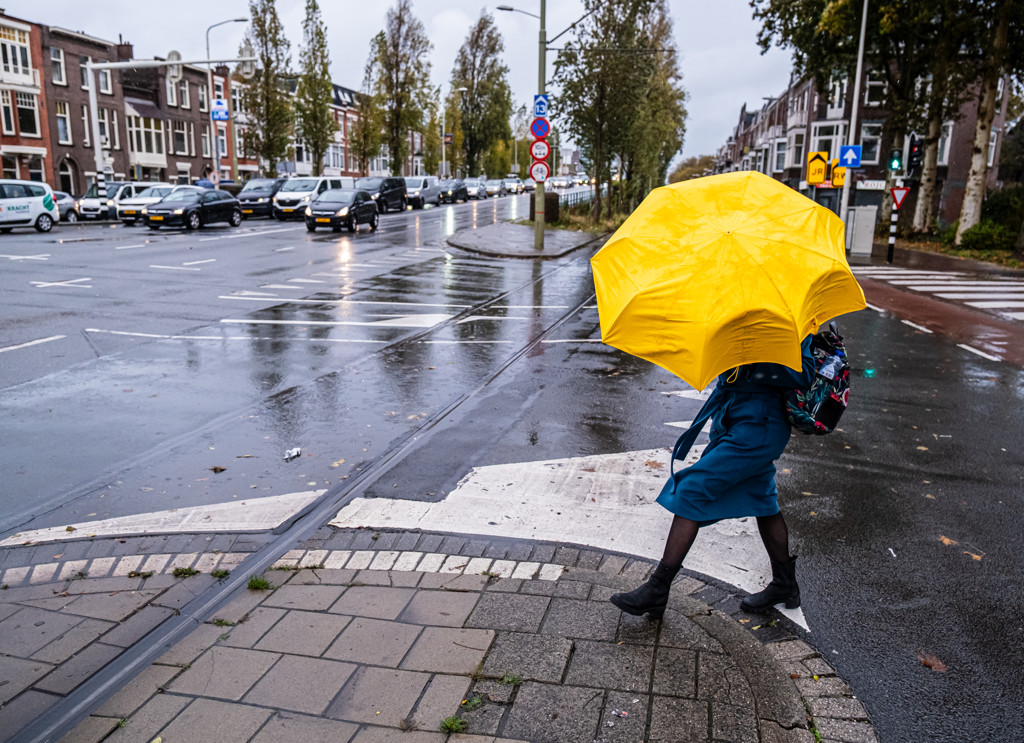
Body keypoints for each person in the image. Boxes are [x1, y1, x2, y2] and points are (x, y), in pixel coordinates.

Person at [610, 335, 817, 618]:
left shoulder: (783, 320)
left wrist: (755, 352)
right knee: (762, 499)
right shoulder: (736, 312)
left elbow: (802, 373)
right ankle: (784, 585)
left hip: (760, 425)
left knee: (691, 490)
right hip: (734, 418)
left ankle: (658, 588)